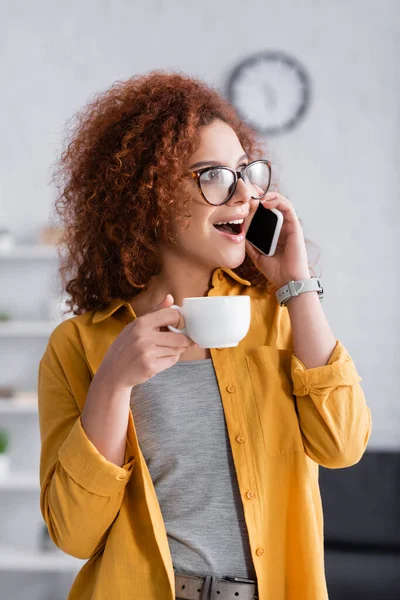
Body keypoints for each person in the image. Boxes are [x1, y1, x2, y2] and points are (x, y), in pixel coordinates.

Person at [38, 70, 372, 600]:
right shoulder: (79, 346)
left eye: (246, 172)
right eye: (214, 175)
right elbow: (74, 535)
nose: (243, 194)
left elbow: (343, 445)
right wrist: (112, 384)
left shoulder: (280, 315)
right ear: (147, 194)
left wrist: (297, 285)